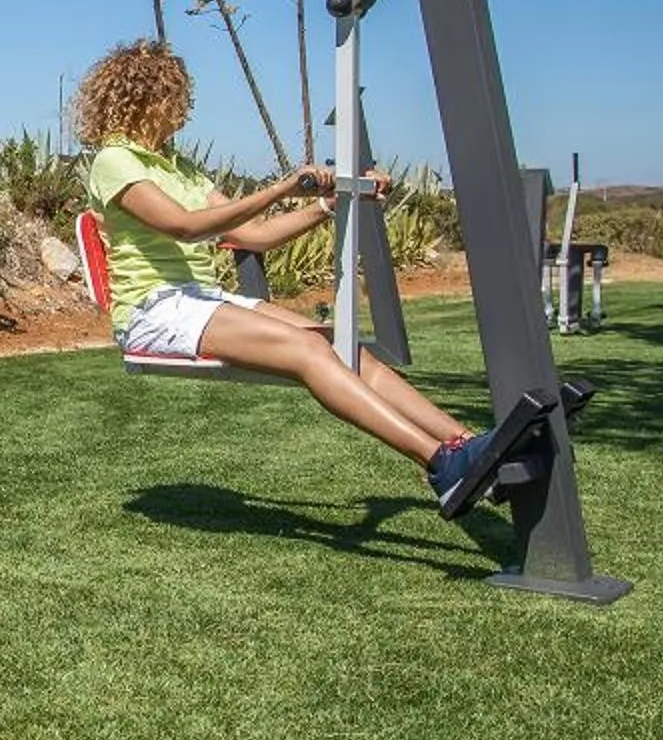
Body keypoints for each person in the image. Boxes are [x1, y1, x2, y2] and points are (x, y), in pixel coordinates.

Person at [73, 38, 514, 519]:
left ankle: (470, 445)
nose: (181, 112)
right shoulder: (115, 161)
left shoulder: (183, 167)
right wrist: (284, 186)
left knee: (341, 344)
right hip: (154, 310)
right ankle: (442, 465)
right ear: (144, 99)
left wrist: (327, 204)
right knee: (309, 352)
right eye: (172, 98)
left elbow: (256, 236)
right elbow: (185, 225)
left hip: (200, 298)